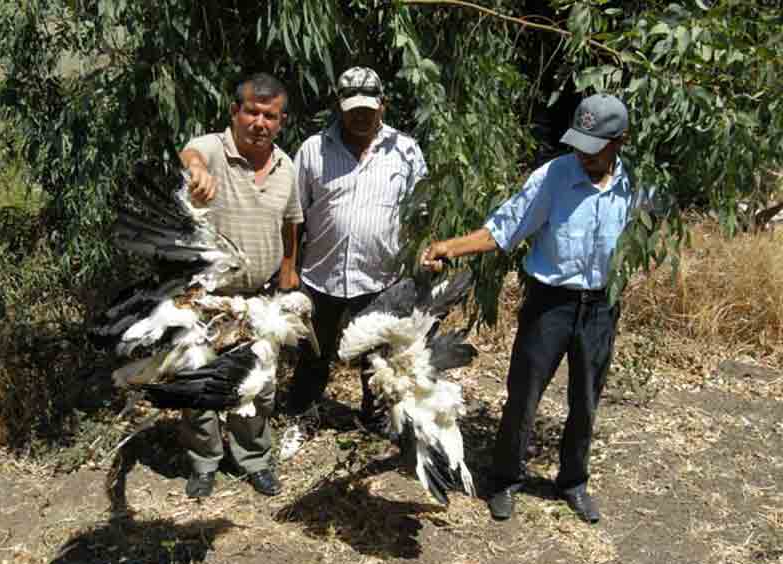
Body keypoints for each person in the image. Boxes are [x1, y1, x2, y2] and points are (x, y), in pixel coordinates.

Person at [422, 94, 633, 524]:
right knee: (524, 397)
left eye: (594, 147)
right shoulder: (553, 177)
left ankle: (572, 481)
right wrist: (448, 247)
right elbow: (503, 231)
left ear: (619, 142)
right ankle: (505, 479)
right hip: (549, 305)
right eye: (579, 144)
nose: (582, 154)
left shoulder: (632, 184)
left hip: (599, 309)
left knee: (586, 400)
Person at [285, 66, 427, 444]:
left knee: (377, 355)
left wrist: (418, 264)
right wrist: (290, 268)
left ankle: (376, 414)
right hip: (321, 274)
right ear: (339, 106)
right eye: (352, 108)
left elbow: (420, 213)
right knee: (314, 353)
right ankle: (301, 415)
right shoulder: (313, 150)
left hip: (380, 275)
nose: (360, 115)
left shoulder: (407, 151)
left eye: (369, 107)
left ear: (383, 105)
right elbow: (295, 215)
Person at [177, 72, 303, 499]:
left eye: (270, 115)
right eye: (251, 111)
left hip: (259, 299)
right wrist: (196, 170)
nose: (259, 122)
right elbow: (191, 151)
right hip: (206, 297)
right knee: (199, 381)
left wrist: (289, 270)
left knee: (256, 386)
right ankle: (205, 462)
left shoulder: (286, 167)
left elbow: (291, 225)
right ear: (235, 112)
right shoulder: (215, 149)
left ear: (281, 120)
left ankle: (253, 459)